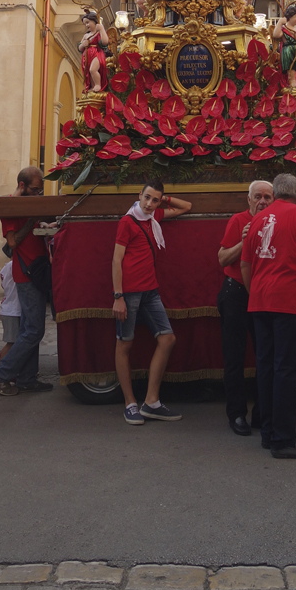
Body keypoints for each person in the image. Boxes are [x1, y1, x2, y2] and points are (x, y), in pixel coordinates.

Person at [241, 172, 296, 459]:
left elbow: (245, 264)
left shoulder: (258, 218)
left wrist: (255, 289)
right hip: (289, 301)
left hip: (260, 301)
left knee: (266, 367)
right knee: (286, 370)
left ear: (276, 194)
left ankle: (268, 433)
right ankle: (283, 440)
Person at [112, 181, 192, 425]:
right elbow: (116, 260)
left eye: (154, 200)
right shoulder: (127, 221)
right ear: (139, 195)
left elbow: (186, 206)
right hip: (129, 293)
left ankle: (151, 401)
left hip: (150, 291)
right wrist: (118, 297)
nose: (149, 203)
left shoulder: (154, 217)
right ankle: (130, 403)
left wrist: (165, 200)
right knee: (125, 345)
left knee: (167, 339)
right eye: (146, 198)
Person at [0, 167, 55, 396]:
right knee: (34, 331)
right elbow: (13, 241)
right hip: (27, 273)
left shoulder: (29, 202)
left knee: (29, 328)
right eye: (34, 190)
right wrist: (33, 219)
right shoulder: (10, 206)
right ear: (22, 186)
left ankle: (26, 378)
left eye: (40, 190)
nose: (37, 194)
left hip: (34, 269)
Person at [216, 179, 273, 435]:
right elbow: (222, 258)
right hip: (236, 294)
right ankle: (237, 414)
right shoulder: (237, 221)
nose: (262, 201)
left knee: (266, 356)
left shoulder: (275, 221)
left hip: (263, 296)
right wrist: (244, 242)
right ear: (248, 200)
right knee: (235, 358)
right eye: (258, 196)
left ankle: (263, 414)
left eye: (267, 197)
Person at [0, 259, 19, 372]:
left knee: (14, 341)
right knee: (13, 343)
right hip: (13, 310)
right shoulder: (14, 265)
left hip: (8, 308)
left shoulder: (5, 267)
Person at [273, 4, 296, 90]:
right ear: (290, 16)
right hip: (288, 50)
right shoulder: (284, 28)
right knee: (291, 67)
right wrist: (280, 22)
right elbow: (276, 35)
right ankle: (292, 81)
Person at [78, 10, 109, 93]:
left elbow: (105, 42)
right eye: (85, 24)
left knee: (93, 69)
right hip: (87, 55)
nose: (87, 25)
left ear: (94, 21)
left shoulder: (98, 33)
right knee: (88, 72)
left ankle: (98, 84)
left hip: (96, 53)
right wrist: (83, 45)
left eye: (88, 22)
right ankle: (92, 86)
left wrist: (102, 29)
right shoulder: (86, 35)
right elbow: (80, 47)